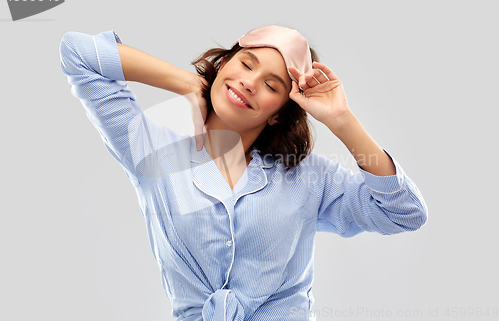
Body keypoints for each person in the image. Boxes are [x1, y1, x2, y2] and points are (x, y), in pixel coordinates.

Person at [59, 25, 428, 321]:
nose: (251, 82)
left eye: (272, 85)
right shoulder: (152, 149)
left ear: (278, 113)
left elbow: (404, 212)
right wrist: (189, 83)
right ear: (224, 64)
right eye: (246, 64)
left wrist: (342, 120)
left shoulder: (308, 177)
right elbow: (78, 53)